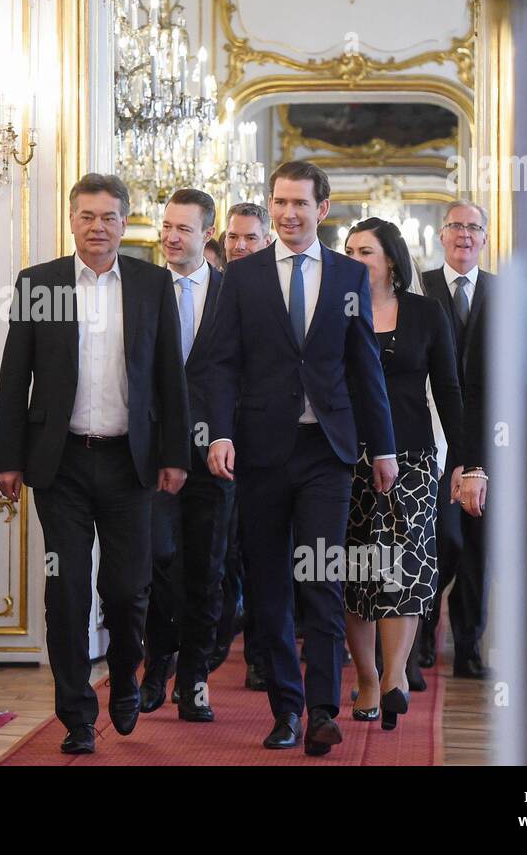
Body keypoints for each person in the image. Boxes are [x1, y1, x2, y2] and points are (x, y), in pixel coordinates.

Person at [194, 160, 397, 757]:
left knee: (322, 578)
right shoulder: (243, 275)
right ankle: (285, 710)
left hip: (326, 456)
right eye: (279, 202)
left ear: (322, 210)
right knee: (270, 586)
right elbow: (221, 364)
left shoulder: (347, 277)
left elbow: (365, 368)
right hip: (259, 454)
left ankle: (323, 711)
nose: (287, 213)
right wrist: (220, 434)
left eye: (299, 204)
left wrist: (382, 446)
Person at [0, 173, 190, 756]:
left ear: (124, 222)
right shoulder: (40, 283)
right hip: (61, 468)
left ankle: (126, 678)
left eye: (108, 217)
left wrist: (177, 455)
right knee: (67, 592)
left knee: (129, 590)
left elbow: (169, 380)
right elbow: (13, 380)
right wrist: (7, 458)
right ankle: (77, 716)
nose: (97, 227)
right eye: (86, 216)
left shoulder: (153, 285)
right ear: (72, 220)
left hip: (131, 466)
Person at [341, 218, 463, 730]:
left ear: (390, 258)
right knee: (358, 572)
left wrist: (466, 459)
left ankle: (393, 679)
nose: (353, 259)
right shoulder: (336, 309)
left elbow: (450, 391)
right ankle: (366, 677)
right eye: (347, 251)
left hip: (411, 457)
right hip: (345, 456)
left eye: (363, 251)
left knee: (403, 567)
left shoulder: (426, 313)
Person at [139, 188, 235, 723]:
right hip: (153, 452)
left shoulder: (232, 292)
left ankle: (194, 678)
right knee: (156, 560)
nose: (172, 237)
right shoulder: (143, 288)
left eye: (183, 228)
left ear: (207, 233)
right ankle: (157, 665)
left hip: (217, 455)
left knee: (207, 567)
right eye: (167, 226)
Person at [418, 201, 492, 678]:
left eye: (473, 227)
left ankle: (468, 646)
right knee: (439, 541)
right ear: (441, 235)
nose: (464, 234)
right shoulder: (418, 290)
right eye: (455, 226)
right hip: (433, 440)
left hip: (488, 440)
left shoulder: (501, 293)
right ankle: (421, 638)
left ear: (484, 238)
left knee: (480, 549)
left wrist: (481, 462)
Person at [212, 201, 271, 689]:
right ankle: (210, 647)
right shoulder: (210, 286)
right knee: (220, 554)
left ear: (267, 241)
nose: (240, 246)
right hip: (211, 441)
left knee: (258, 553)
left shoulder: (276, 293)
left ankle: (260, 655)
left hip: (262, 444)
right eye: (234, 237)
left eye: (250, 238)